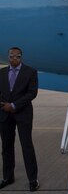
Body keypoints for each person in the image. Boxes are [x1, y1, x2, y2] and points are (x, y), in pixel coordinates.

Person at [0, 47, 39, 191]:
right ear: (8, 57)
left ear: (21, 57)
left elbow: (32, 93)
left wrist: (14, 105)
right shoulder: (2, 73)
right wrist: (4, 105)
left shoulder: (30, 72)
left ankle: (33, 179)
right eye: (11, 56)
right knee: (6, 147)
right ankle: (8, 177)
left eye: (17, 56)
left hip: (23, 114)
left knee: (27, 146)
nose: (14, 59)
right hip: (5, 114)